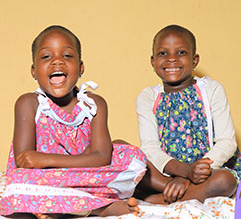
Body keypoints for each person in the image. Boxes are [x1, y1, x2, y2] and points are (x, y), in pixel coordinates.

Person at [0, 25, 147, 219]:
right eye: (46, 57)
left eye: (67, 56)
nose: (57, 61)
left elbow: (102, 157)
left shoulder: (95, 104)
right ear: (34, 71)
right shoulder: (28, 103)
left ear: (81, 67)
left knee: (130, 155)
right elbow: (24, 161)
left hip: (88, 178)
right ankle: (98, 207)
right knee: (13, 185)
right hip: (46, 180)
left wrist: (47, 159)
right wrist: (50, 166)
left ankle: (62, 208)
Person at [135, 24, 241, 204]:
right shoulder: (148, 97)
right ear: (153, 61)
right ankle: (170, 187)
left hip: (207, 170)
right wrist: (184, 172)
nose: (171, 59)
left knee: (225, 181)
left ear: (195, 60)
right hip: (167, 171)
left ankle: (157, 198)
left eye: (181, 53)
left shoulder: (212, 90)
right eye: (163, 53)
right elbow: (150, 149)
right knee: (121, 152)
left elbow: (227, 142)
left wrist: (194, 173)